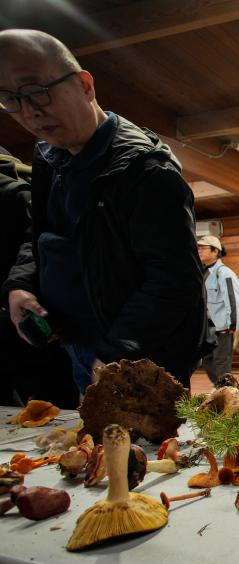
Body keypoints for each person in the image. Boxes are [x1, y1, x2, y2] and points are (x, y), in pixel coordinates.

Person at [0, 30, 208, 390]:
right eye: (11, 100)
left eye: (37, 92)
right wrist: (20, 284)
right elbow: (40, 234)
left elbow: (174, 281)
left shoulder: (146, 170)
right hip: (78, 345)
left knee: (151, 446)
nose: (30, 112)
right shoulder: (49, 156)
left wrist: (116, 352)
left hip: (139, 360)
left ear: (84, 85)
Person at [0, 145, 78, 407]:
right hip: (22, 321)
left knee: (53, 407)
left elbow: (38, 250)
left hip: (33, 323)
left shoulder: (15, 196)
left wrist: (18, 284)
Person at [196, 234, 239, 385]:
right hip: (208, 329)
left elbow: (234, 300)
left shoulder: (224, 273)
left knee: (222, 366)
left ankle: (229, 395)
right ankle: (222, 390)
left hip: (222, 329)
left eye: (203, 249)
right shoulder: (204, 273)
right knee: (206, 361)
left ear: (215, 251)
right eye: (198, 248)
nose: (199, 251)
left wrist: (233, 325)